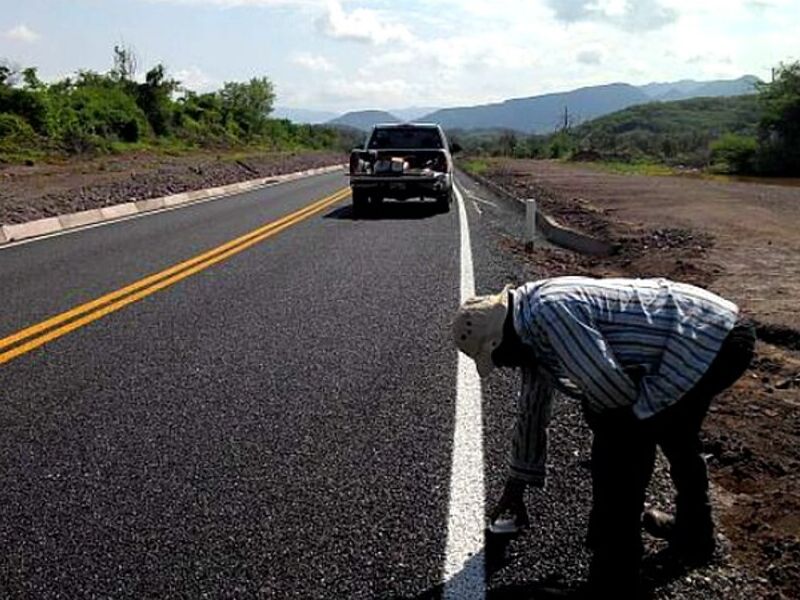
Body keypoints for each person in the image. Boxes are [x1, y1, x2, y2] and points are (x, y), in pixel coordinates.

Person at [452, 277, 755, 598]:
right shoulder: (527, 326)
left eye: (498, 360)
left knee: (621, 449)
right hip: (706, 333)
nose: (505, 367)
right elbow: (531, 410)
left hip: (710, 338)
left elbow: (612, 394)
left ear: (500, 342)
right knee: (672, 432)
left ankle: (613, 579)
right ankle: (695, 534)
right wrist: (516, 485)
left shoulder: (549, 313)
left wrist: (601, 428)